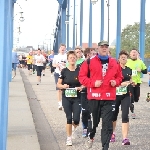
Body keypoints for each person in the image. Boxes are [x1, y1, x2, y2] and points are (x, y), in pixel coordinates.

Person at [78, 40, 123, 150]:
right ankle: (91, 136)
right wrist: (93, 83)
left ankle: (105, 147)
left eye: (106, 47)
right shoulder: (89, 62)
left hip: (109, 97)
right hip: (94, 97)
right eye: (102, 46)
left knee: (107, 124)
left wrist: (115, 82)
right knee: (95, 123)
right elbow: (82, 77)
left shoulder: (114, 62)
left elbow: (120, 77)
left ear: (108, 49)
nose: (104, 48)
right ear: (98, 48)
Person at [57, 51, 82, 146]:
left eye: (74, 57)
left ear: (76, 59)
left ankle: (72, 128)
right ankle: (69, 138)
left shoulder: (79, 70)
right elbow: (58, 84)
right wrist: (63, 86)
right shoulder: (64, 71)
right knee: (69, 117)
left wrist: (81, 87)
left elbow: (84, 83)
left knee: (76, 119)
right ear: (67, 59)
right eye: (70, 57)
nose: (72, 59)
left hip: (77, 97)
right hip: (66, 97)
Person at [111, 50, 132, 145]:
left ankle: (125, 138)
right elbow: (110, 81)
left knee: (125, 115)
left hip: (125, 95)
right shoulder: (114, 69)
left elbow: (131, 80)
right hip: (115, 95)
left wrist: (132, 83)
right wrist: (120, 83)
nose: (124, 58)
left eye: (125, 57)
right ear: (118, 59)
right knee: (114, 115)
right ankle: (112, 133)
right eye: (122, 57)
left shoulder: (129, 69)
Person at [80, 48, 96, 138]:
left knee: (93, 111)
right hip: (84, 91)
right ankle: (85, 127)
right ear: (88, 55)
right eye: (93, 53)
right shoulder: (81, 65)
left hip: (94, 90)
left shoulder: (97, 65)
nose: (95, 55)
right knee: (85, 111)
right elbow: (79, 77)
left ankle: (91, 128)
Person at [126, 49, 147, 119]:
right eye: (132, 52)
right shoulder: (127, 61)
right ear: (130, 54)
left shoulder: (140, 62)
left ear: (137, 54)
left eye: (135, 52)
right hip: (129, 82)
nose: (134, 53)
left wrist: (140, 70)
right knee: (130, 98)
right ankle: (132, 112)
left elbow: (145, 71)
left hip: (137, 83)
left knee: (136, 99)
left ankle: (129, 104)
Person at [53, 44, 67, 110]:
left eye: (64, 48)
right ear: (59, 49)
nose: (62, 49)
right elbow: (53, 64)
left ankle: (65, 102)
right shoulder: (56, 56)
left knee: (65, 88)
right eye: (61, 48)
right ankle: (59, 103)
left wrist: (65, 64)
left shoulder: (67, 56)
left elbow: (70, 63)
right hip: (58, 73)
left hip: (65, 73)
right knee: (59, 89)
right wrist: (57, 65)